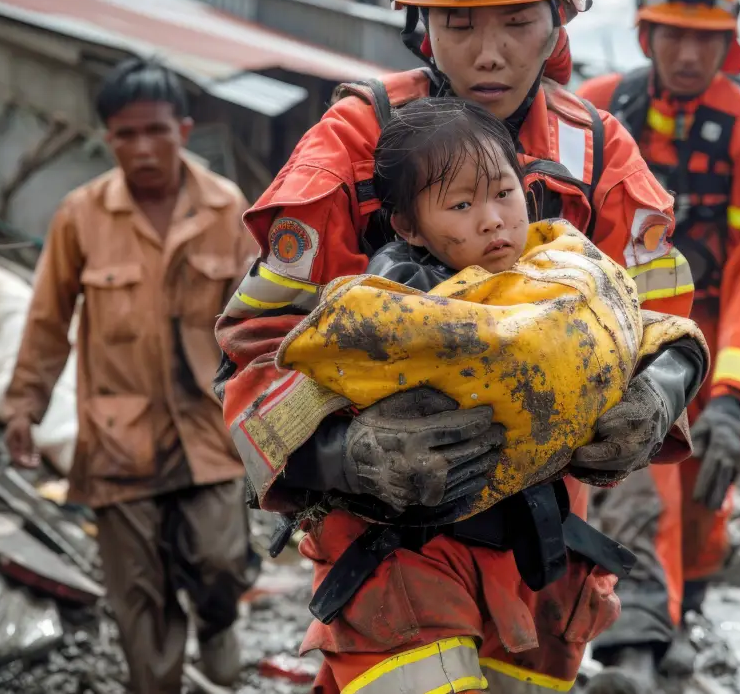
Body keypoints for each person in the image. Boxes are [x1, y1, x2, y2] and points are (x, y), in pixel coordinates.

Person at [214, 0, 704, 694]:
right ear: (420, 23)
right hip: (389, 548)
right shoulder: (360, 144)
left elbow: (667, 320)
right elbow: (251, 353)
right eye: (457, 22)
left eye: (517, 22)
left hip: (544, 561)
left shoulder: (597, 155)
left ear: (560, 20)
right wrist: (340, 454)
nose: (487, 52)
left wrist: (655, 395)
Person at [273, 96, 710, 526]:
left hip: (549, 524)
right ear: (408, 227)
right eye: (461, 206)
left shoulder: (566, 259)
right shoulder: (399, 296)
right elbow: (313, 383)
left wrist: (660, 391)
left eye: (504, 193)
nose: (492, 220)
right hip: (417, 545)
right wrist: (345, 454)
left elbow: (640, 326)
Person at [575, 0, 740, 687]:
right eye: (672, 32)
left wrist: (736, 399)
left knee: (705, 499)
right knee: (640, 481)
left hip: (709, 341)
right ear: (647, 35)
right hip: (621, 337)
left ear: (727, 43)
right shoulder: (599, 107)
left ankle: (682, 610)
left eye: (703, 36)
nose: (687, 51)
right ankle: (633, 641)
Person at [2, 58, 258, 694]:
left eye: (156, 131)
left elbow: (263, 325)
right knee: (138, 601)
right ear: (107, 138)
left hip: (208, 428)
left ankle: (219, 622)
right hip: (119, 437)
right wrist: (23, 407)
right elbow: (47, 317)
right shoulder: (80, 216)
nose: (142, 148)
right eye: (125, 134)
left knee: (221, 561)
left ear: (185, 130)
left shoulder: (226, 208)